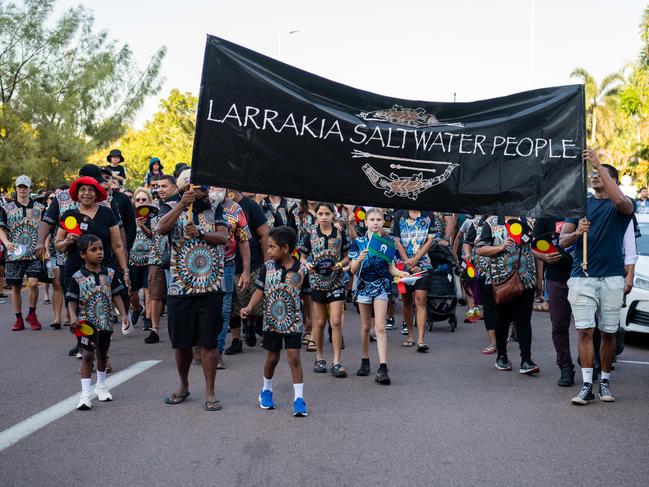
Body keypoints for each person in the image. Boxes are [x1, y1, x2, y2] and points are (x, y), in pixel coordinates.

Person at [560, 149, 634, 405]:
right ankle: (586, 385)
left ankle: (605, 381)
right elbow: (562, 240)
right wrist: (576, 233)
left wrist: (599, 164)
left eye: (599, 175)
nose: (594, 177)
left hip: (612, 278)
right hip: (582, 277)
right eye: (592, 174)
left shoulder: (621, 206)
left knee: (609, 332)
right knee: (585, 331)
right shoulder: (580, 206)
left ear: (612, 181)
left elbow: (623, 204)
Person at [156, 183, 228, 411]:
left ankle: (210, 391)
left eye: (204, 191)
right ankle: (183, 385)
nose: (203, 194)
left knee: (209, 341)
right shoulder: (169, 206)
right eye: (197, 190)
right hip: (180, 288)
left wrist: (201, 233)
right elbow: (160, 228)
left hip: (211, 285)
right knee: (182, 343)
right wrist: (181, 205)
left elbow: (224, 237)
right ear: (185, 190)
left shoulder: (216, 209)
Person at [241, 226, 311, 416]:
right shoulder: (267, 267)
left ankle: (298, 399)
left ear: (285, 248)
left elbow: (306, 297)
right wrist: (248, 307)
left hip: (293, 321)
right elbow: (259, 290)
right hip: (271, 321)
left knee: (294, 358)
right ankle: (266, 390)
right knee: (272, 358)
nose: (269, 251)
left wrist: (310, 319)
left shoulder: (302, 270)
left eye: (272, 247)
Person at [54, 175, 131, 335]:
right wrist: (67, 241)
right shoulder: (69, 215)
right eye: (82, 190)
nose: (86, 193)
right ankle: (82, 342)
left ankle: (102, 342)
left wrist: (125, 270)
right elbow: (58, 245)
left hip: (102, 268)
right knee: (76, 305)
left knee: (101, 304)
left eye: (90, 190)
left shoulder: (107, 213)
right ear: (77, 193)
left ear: (97, 194)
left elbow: (117, 244)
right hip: (75, 269)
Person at [349, 208, 410, 385]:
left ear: (383, 222)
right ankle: (365, 359)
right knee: (366, 326)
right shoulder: (358, 242)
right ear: (365, 222)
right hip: (363, 288)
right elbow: (353, 270)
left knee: (380, 328)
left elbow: (392, 268)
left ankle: (383, 368)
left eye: (378, 219)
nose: (375, 222)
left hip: (382, 287)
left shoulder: (387, 243)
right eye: (372, 219)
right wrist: (359, 259)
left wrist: (402, 274)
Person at [67, 234, 129, 410]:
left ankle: (101, 386)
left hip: (106, 322)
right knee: (87, 355)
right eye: (93, 250)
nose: (99, 252)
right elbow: (71, 300)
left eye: (101, 248)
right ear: (83, 254)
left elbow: (116, 295)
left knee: (103, 353)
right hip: (85, 324)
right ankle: (85, 393)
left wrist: (123, 314)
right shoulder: (77, 277)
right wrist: (73, 317)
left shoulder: (109, 273)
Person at [476, 215, 540, 375]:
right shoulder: (491, 223)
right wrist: (501, 247)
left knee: (524, 319)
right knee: (503, 319)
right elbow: (480, 249)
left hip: (526, 278)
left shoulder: (529, 221)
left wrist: (539, 279)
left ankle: (526, 360)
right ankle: (502, 356)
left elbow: (536, 249)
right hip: (501, 281)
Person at [300, 202, 350, 377]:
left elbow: (347, 257)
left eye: (327, 213)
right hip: (317, 283)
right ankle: (319, 357)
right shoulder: (310, 234)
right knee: (320, 322)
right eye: (320, 213)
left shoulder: (340, 233)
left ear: (332, 215)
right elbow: (303, 256)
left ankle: (337, 361)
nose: (323, 217)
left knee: (335, 321)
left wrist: (340, 265)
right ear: (316, 216)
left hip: (336, 282)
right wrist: (308, 265)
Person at [225, 190, 269, 355]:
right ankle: (236, 340)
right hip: (227, 264)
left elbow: (264, 235)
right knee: (232, 304)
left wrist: (267, 264)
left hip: (253, 262)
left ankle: (251, 324)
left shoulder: (250, 206)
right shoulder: (217, 206)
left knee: (254, 302)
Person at [211, 187, 251, 368]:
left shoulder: (235, 209)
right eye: (213, 186)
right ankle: (200, 346)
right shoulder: (196, 207)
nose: (216, 190)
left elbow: (243, 240)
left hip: (227, 265)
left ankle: (217, 351)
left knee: (224, 309)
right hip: (199, 266)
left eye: (220, 186)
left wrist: (246, 271)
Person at [0, 175, 45, 331]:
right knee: (16, 287)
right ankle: (18, 318)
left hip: (34, 252)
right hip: (14, 252)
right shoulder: (7, 208)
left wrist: (44, 245)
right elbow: (1, 229)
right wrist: (6, 242)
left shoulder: (40, 208)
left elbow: (46, 229)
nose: (23, 189)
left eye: (25, 187)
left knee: (33, 283)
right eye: (20, 186)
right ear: (16, 188)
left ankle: (32, 314)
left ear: (30, 188)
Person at [533, 217, 575, 386]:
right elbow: (532, 247)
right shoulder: (546, 215)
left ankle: (590, 359)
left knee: (589, 325)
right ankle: (565, 366)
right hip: (557, 278)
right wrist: (544, 256)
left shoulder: (584, 209)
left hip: (586, 276)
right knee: (559, 324)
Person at [393, 209, 436, 352]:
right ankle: (410, 335)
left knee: (421, 300)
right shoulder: (399, 215)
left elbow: (430, 240)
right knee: (406, 301)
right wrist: (407, 261)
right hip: (402, 265)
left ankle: (421, 340)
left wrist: (416, 259)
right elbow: (397, 241)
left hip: (423, 263)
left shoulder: (429, 214)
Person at [144, 175, 179, 344]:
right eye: (158, 186)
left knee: (175, 296)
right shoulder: (154, 207)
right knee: (156, 294)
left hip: (177, 258)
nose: (161, 189)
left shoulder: (180, 205)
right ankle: (154, 330)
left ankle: (177, 331)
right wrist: (142, 225)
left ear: (175, 187)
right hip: (157, 256)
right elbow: (153, 234)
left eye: (165, 186)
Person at [464, 216, 497, 354]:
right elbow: (467, 242)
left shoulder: (505, 220)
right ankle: (493, 341)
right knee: (489, 306)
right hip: (483, 272)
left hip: (506, 272)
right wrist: (467, 253)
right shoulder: (477, 223)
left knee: (505, 305)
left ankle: (508, 329)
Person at [128, 188, 155, 330]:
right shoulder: (129, 217)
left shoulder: (153, 217)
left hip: (149, 260)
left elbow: (153, 235)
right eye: (138, 200)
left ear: (149, 201)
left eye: (143, 199)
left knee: (147, 290)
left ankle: (148, 319)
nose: (140, 202)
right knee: (132, 293)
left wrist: (143, 225)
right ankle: (138, 309)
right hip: (132, 261)